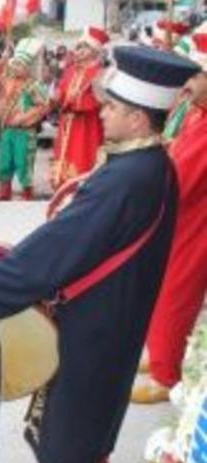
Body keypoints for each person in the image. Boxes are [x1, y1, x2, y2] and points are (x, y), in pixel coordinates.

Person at [0, 46, 199, 463]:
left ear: (139, 118)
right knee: (96, 414)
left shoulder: (128, 178)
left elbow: (55, 251)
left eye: (113, 107)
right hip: (117, 314)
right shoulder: (151, 163)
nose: (101, 112)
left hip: (94, 322)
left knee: (71, 431)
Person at [137, 33, 207, 404]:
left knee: (175, 292)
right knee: (164, 286)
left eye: (194, 77)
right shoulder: (197, 113)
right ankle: (163, 356)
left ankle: (167, 375)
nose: (187, 85)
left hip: (196, 222)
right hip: (186, 217)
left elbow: (181, 179)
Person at [51, 27, 108, 190]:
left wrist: (76, 104)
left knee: (83, 155)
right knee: (65, 154)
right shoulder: (70, 71)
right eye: (79, 47)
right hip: (68, 123)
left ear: (94, 51)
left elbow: (100, 100)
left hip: (88, 124)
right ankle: (62, 186)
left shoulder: (100, 73)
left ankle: (83, 187)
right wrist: (56, 99)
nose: (79, 51)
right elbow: (61, 91)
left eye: (84, 47)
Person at [0, 38, 48, 201]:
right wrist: (4, 57)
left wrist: (24, 118)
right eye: (14, 64)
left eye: (20, 65)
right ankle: (4, 192)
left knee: (23, 162)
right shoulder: (7, 80)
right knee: (5, 161)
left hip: (24, 131)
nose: (16, 68)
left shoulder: (34, 85)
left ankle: (27, 192)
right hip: (7, 129)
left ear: (28, 67)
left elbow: (43, 106)